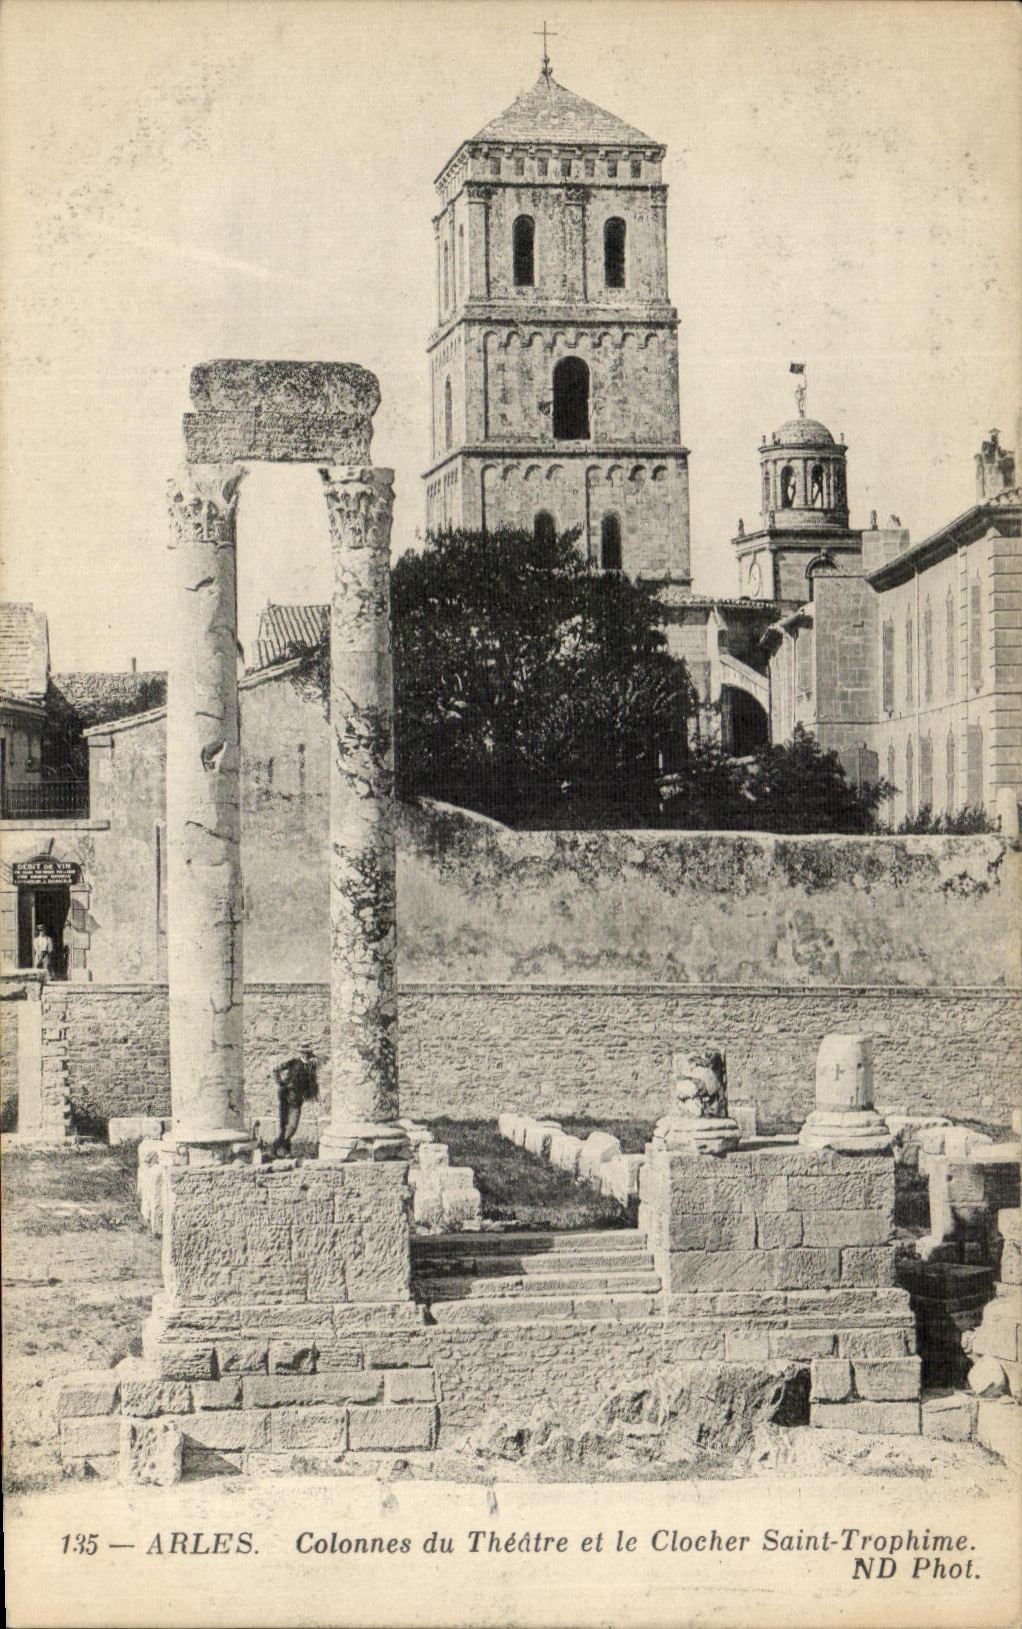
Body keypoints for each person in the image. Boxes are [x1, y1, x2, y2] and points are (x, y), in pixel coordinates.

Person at [270, 1043, 319, 1157]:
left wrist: (310, 1094)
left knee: (292, 1126)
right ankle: (281, 1149)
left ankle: (279, 1148)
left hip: (297, 1101)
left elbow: (311, 1084)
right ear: (301, 1053)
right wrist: (280, 1083)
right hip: (286, 1098)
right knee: (286, 1125)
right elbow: (276, 1070)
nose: (306, 1055)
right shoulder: (294, 1062)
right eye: (304, 1052)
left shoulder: (311, 1067)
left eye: (308, 1053)